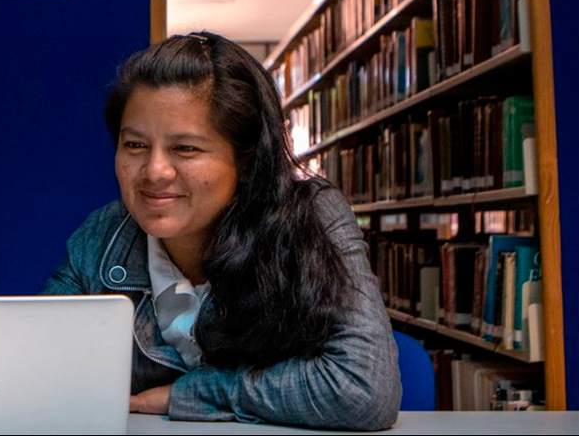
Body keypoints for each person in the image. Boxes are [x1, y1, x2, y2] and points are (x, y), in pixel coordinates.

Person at [43, 32, 400, 430]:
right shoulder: (100, 237)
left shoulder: (312, 219)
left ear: (246, 160)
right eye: (135, 145)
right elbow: (37, 373)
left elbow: (362, 389)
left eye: (186, 149)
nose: (154, 172)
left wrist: (191, 394)